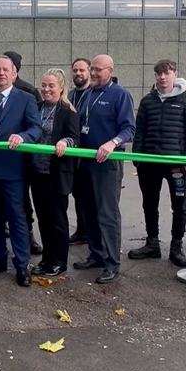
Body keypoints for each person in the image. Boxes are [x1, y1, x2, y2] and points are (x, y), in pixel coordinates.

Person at [129, 59, 186, 268]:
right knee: (149, 204)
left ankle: (176, 248)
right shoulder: (148, 101)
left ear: (174, 74)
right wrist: (137, 159)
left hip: (176, 163)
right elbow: (139, 132)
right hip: (149, 162)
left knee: (179, 206)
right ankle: (152, 244)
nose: (162, 77)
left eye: (167, 73)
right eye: (159, 74)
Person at [73, 55, 135, 285]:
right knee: (88, 211)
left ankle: (112, 262)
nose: (94, 73)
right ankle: (96, 253)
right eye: (92, 69)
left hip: (107, 164)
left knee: (107, 214)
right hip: (85, 162)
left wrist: (112, 142)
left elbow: (129, 127)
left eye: (98, 69)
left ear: (110, 70)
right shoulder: (87, 94)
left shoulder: (120, 95)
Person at [0, 56, 42, 287]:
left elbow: (35, 127)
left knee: (17, 218)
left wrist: (23, 136)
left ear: (15, 73)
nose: (1, 74)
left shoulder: (26, 99)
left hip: (13, 169)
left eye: (6, 70)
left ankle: (22, 264)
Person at [30, 69, 80, 277]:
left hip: (57, 174)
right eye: (44, 85)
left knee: (57, 220)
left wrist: (64, 142)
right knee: (43, 218)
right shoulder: (37, 107)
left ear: (61, 88)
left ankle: (59, 262)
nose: (46, 89)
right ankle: (46, 259)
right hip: (37, 173)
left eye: (51, 86)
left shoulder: (68, 111)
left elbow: (74, 138)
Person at [68, 58, 91, 246]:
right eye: (75, 70)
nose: (78, 73)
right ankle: (81, 230)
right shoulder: (70, 95)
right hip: (73, 153)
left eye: (81, 70)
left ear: (89, 72)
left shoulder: (93, 94)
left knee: (89, 196)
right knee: (77, 193)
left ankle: (91, 233)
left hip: (89, 152)